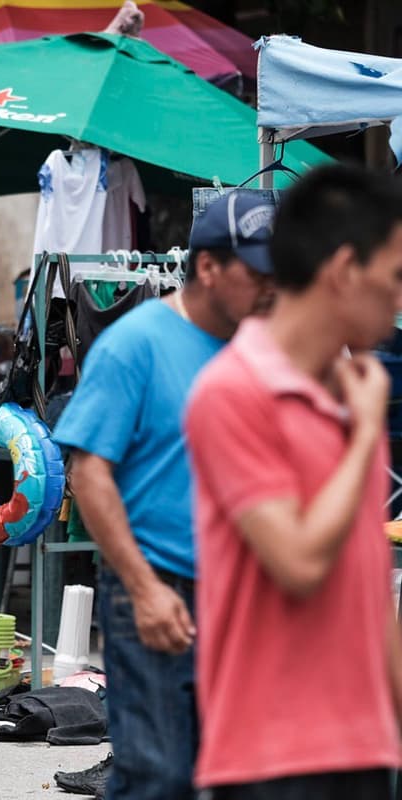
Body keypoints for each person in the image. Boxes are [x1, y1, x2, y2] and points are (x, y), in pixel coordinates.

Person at [185, 165, 402, 799]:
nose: (397, 301)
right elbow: (300, 562)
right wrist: (366, 437)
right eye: (392, 279)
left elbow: (368, 592)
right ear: (343, 270)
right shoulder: (232, 391)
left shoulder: (349, 391)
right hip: (272, 757)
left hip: (365, 744)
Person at [51, 190, 276, 800]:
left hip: (241, 588)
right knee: (158, 775)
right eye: (257, 272)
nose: (271, 287)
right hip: (156, 584)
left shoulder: (261, 348)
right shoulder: (137, 343)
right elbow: (89, 473)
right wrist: (145, 588)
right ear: (208, 268)